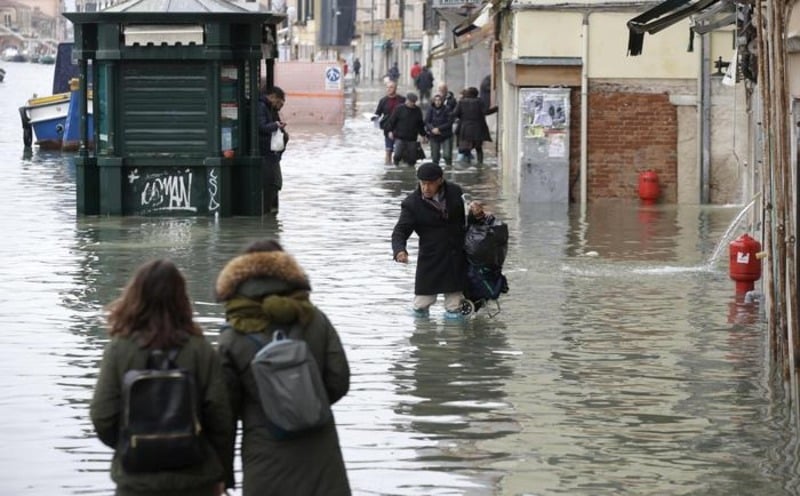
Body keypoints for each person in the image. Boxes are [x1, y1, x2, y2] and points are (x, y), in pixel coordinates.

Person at [215, 239, 351, 496]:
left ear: (240, 279)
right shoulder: (316, 320)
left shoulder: (232, 336)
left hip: (265, 457)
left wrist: (222, 475)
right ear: (288, 273)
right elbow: (338, 380)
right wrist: (305, 403)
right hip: (321, 455)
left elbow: (224, 413)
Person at [90, 259, 233, 496]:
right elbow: (221, 419)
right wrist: (220, 475)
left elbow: (102, 415)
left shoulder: (119, 349)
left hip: (136, 481)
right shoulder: (200, 349)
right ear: (182, 298)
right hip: (196, 480)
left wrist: (133, 443)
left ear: (135, 295)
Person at [392, 162, 467, 318]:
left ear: (440, 181)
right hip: (431, 258)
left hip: (456, 256)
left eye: (430, 184)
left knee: (455, 306)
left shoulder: (455, 192)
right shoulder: (412, 204)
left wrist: (477, 214)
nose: (426, 188)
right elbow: (400, 231)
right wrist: (400, 250)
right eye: (423, 183)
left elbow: (466, 221)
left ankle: (456, 339)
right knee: (421, 304)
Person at [258, 85, 289, 213]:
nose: (280, 106)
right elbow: (261, 127)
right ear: (273, 97)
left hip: (271, 153)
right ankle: (269, 210)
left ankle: (271, 212)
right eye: (279, 102)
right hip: (267, 152)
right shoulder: (261, 107)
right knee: (274, 182)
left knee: (275, 182)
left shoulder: (270, 109)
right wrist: (276, 125)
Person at [386, 92, 427, 166]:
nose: (411, 104)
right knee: (397, 155)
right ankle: (396, 166)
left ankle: (410, 171)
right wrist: (390, 131)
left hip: (412, 138)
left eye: (413, 102)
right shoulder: (399, 109)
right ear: (407, 100)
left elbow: (420, 124)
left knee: (412, 159)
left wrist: (423, 135)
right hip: (400, 137)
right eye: (410, 102)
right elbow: (392, 121)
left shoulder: (417, 111)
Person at [453, 86, 491, 164]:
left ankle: (467, 163)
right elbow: (485, 112)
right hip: (478, 128)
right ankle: (480, 163)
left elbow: (455, 113)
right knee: (478, 148)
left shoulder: (461, 102)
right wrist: (496, 109)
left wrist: (461, 117)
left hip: (465, 129)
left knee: (466, 147)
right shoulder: (479, 102)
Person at [373, 81, 405, 164]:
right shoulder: (383, 100)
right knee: (388, 150)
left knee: (400, 151)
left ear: (395, 88)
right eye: (387, 87)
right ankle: (388, 169)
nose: (389, 89)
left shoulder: (402, 99)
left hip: (400, 128)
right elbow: (378, 113)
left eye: (391, 87)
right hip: (388, 128)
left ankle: (399, 168)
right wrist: (374, 118)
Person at [425, 93, 454, 166]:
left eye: (439, 100)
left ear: (442, 101)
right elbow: (427, 121)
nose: (437, 102)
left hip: (445, 134)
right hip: (434, 135)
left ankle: (448, 168)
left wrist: (439, 129)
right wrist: (432, 129)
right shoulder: (430, 109)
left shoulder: (447, 109)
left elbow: (449, 122)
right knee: (435, 157)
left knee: (447, 155)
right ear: (433, 101)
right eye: (436, 100)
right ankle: (435, 171)